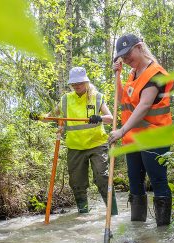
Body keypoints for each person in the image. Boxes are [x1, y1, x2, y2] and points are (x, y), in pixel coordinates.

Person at [31, 67, 118, 215]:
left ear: (86, 81)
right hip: (75, 147)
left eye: (80, 82)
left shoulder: (96, 97)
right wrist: (38, 117)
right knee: (77, 182)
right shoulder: (66, 99)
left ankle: (113, 213)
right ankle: (83, 214)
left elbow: (110, 118)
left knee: (102, 176)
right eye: (74, 83)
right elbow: (50, 116)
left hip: (97, 144)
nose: (77, 86)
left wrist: (100, 118)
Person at [108, 34, 174, 226]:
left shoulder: (156, 74)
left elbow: (144, 106)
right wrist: (117, 76)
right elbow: (123, 100)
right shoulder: (132, 73)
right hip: (133, 139)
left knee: (158, 181)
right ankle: (138, 232)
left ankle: (163, 233)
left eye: (128, 55)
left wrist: (120, 131)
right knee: (135, 185)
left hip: (154, 138)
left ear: (139, 47)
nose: (126, 60)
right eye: (123, 58)